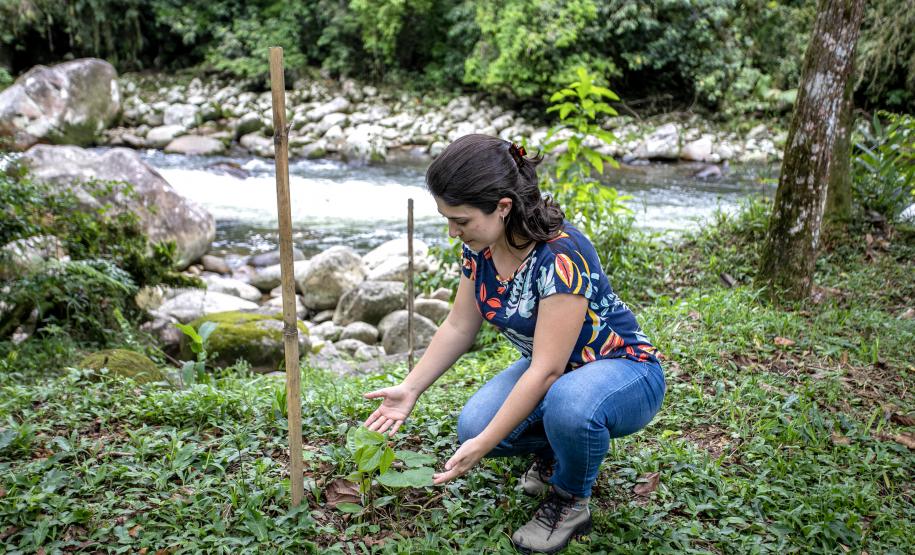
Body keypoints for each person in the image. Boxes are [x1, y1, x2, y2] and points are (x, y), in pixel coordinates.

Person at [363, 134, 665, 554]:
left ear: (503, 206)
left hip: (626, 370)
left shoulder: (560, 256)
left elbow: (546, 370)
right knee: (473, 426)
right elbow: (459, 326)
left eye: (461, 220)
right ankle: (558, 449)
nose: (452, 232)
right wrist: (410, 389)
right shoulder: (481, 249)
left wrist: (484, 445)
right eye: (447, 219)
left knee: (567, 405)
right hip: (558, 371)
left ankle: (570, 499)